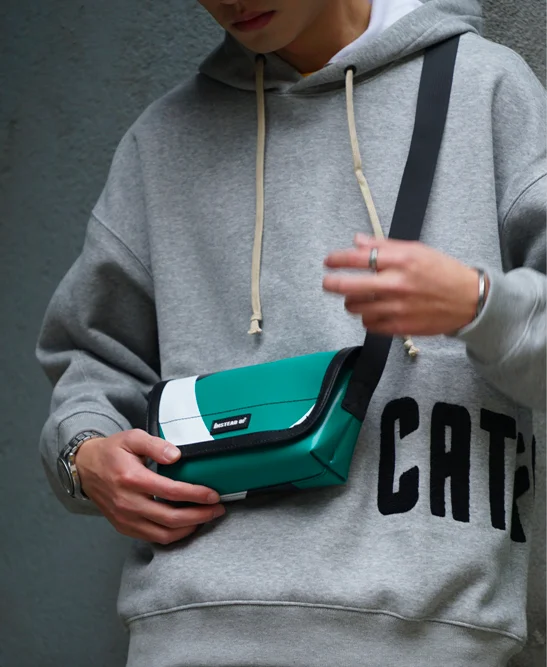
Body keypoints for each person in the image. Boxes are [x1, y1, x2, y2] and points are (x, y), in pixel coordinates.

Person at [36, 0, 546, 665]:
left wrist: (479, 304)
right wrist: (83, 457)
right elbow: (91, 359)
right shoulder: (162, 140)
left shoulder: (487, 90)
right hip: (191, 634)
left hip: (433, 636)